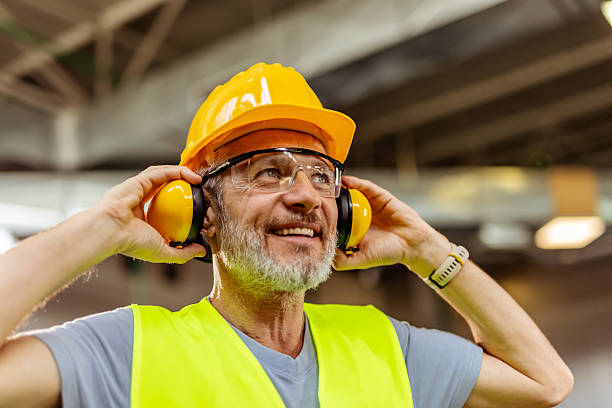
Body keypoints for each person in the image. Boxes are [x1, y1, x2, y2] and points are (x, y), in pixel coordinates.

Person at [0, 63, 572, 408]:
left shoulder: (388, 349)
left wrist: (428, 251)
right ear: (202, 211)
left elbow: (544, 383)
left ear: (347, 213)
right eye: (268, 172)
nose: (305, 195)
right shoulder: (123, 351)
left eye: (323, 177)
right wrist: (95, 231)